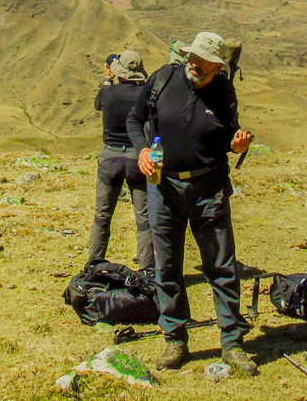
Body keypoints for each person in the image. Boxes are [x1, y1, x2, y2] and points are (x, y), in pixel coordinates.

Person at [127, 32, 257, 376]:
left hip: (208, 188)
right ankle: (175, 338)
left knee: (221, 266)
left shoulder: (223, 92)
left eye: (202, 62)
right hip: (163, 187)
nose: (193, 64)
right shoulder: (163, 78)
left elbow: (229, 134)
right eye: (192, 57)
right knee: (167, 266)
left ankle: (232, 342)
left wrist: (238, 144)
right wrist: (141, 149)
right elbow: (133, 119)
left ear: (217, 67)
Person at [88, 50, 154, 272]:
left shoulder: (108, 93)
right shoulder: (145, 95)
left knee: (102, 215)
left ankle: (94, 263)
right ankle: (146, 270)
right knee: (144, 219)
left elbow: (98, 104)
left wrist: (108, 78)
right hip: (138, 157)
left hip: (110, 157)